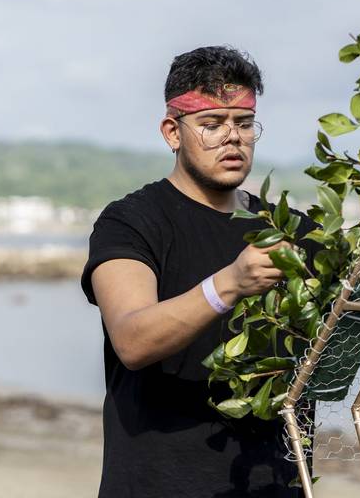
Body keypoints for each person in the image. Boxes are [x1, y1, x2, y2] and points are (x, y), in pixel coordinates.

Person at [80, 45, 322, 497]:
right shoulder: (132, 221)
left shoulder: (287, 228)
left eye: (244, 124)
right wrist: (228, 284)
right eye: (212, 125)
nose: (233, 138)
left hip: (278, 485)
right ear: (173, 132)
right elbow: (132, 341)